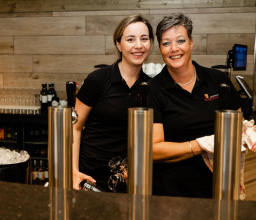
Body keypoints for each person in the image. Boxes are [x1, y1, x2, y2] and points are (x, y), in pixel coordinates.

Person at [148, 13, 242, 198]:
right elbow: (153, 149)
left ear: (191, 43)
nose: (174, 49)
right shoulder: (153, 90)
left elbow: (238, 124)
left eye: (180, 40)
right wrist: (203, 144)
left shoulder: (218, 80)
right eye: (166, 43)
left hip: (218, 186)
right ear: (160, 48)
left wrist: (247, 131)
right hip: (170, 191)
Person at [72, 14, 154, 191]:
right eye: (130, 39)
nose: (138, 45)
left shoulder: (151, 87)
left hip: (129, 182)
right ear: (119, 44)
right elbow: (75, 127)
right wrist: (73, 171)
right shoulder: (98, 80)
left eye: (144, 39)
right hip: (90, 179)